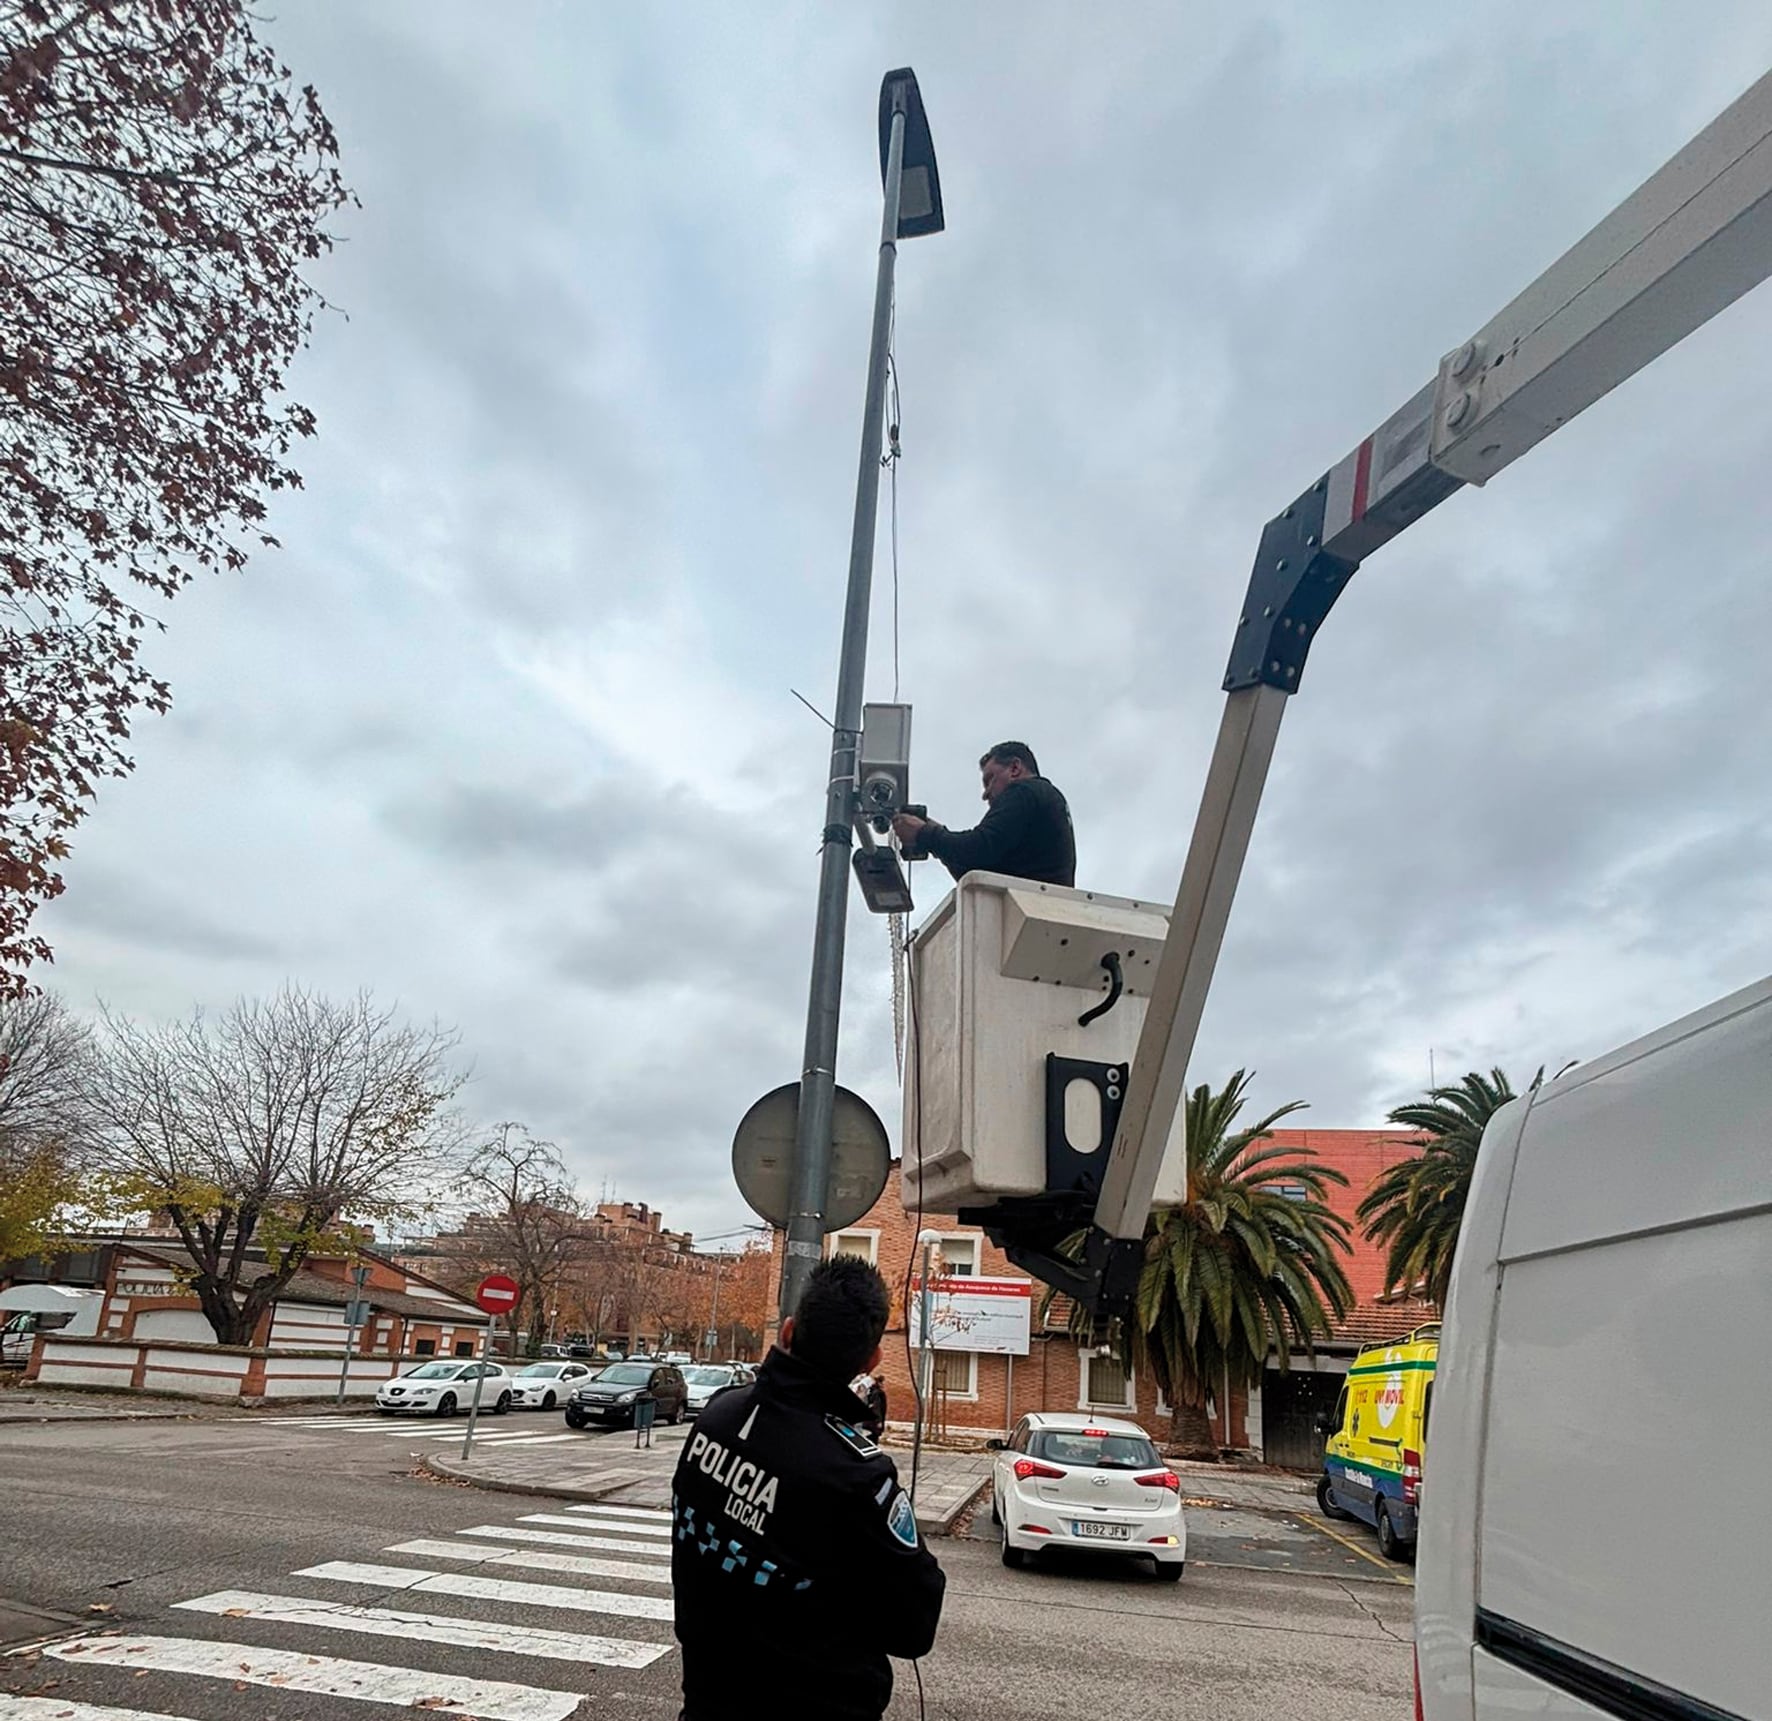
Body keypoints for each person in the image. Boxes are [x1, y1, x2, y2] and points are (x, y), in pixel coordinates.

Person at [671, 1256, 944, 1721]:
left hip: (706, 1699)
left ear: (788, 1330)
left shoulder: (717, 1417)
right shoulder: (855, 1474)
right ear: (872, 1360)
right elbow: (914, 1629)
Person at [892, 739, 1076, 887]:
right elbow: (975, 871)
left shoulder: (1025, 790)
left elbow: (978, 849)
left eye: (990, 780)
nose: (985, 793)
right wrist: (935, 836)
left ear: (1015, 769)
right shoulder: (1044, 798)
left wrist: (925, 834)